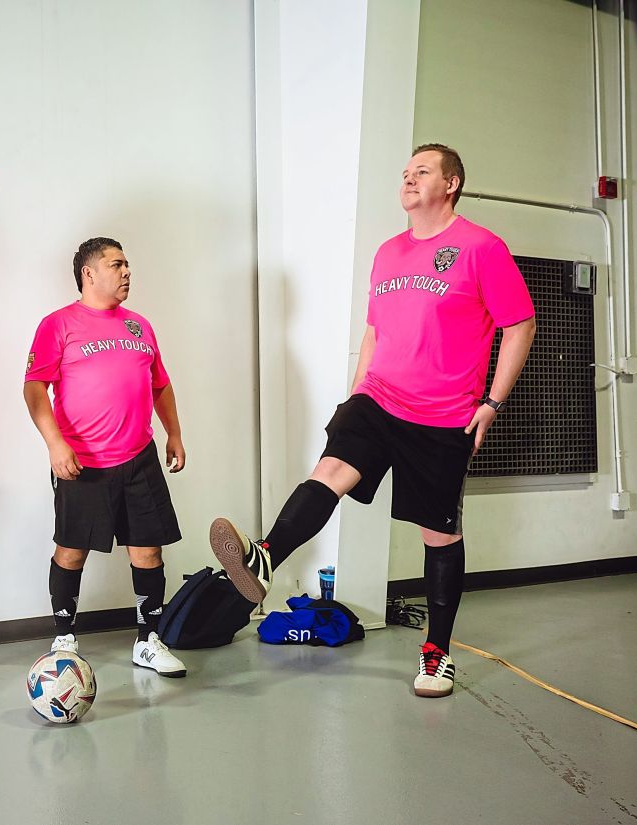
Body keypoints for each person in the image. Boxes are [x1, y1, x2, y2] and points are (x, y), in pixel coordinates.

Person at [210, 144, 536, 697]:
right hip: (379, 399)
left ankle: (437, 654)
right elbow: (375, 331)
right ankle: (264, 559)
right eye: (405, 172)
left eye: (422, 171)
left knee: (439, 532)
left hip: (443, 413)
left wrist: (493, 402)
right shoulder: (388, 252)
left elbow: (520, 323)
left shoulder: (482, 247)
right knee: (330, 470)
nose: (408, 178)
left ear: (451, 183)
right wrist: (358, 391)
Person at [24, 237, 188, 677]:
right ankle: (64, 638)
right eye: (117, 264)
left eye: (127, 264)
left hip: (139, 458)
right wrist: (55, 444)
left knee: (148, 551)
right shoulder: (58, 324)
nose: (127, 271)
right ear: (89, 273)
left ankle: (148, 641)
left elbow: (160, 384)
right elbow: (34, 388)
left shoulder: (139, 326)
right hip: (83, 462)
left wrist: (174, 433)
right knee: (71, 551)